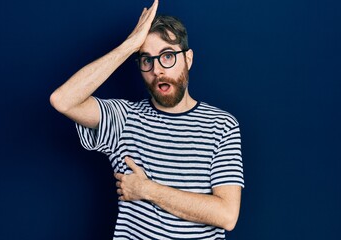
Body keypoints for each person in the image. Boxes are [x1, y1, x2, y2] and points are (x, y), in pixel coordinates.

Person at [50, 0, 244, 239]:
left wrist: (146, 189)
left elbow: (226, 215)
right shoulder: (124, 119)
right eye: (146, 60)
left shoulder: (222, 125)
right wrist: (130, 46)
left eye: (168, 56)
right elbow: (63, 99)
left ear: (188, 59)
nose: (157, 70)